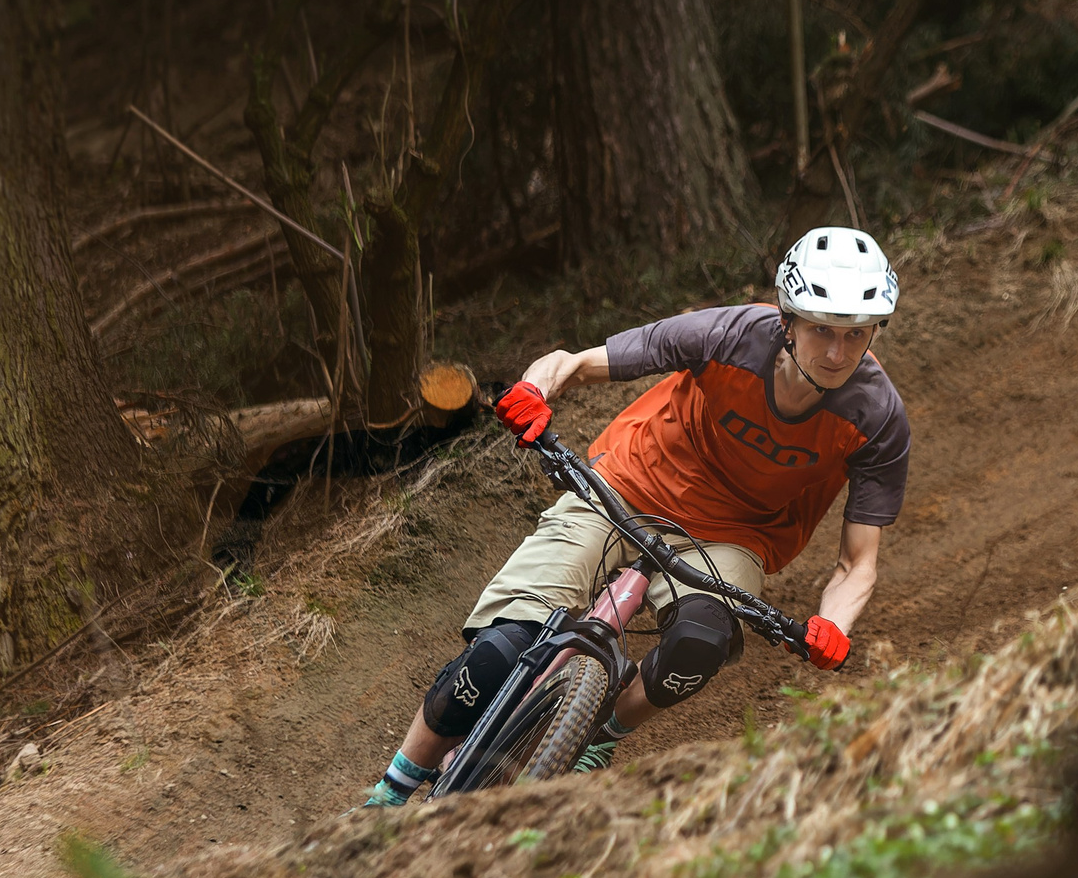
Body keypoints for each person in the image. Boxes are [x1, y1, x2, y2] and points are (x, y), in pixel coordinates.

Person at [361, 228, 910, 805]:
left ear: (876, 330)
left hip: (734, 535)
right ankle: (391, 790)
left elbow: (857, 563)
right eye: (822, 329)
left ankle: (599, 733)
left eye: (855, 334)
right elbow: (573, 364)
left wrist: (833, 627)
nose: (837, 353)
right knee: (500, 648)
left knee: (700, 641)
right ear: (788, 319)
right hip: (626, 486)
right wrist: (533, 391)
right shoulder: (726, 335)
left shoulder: (877, 417)